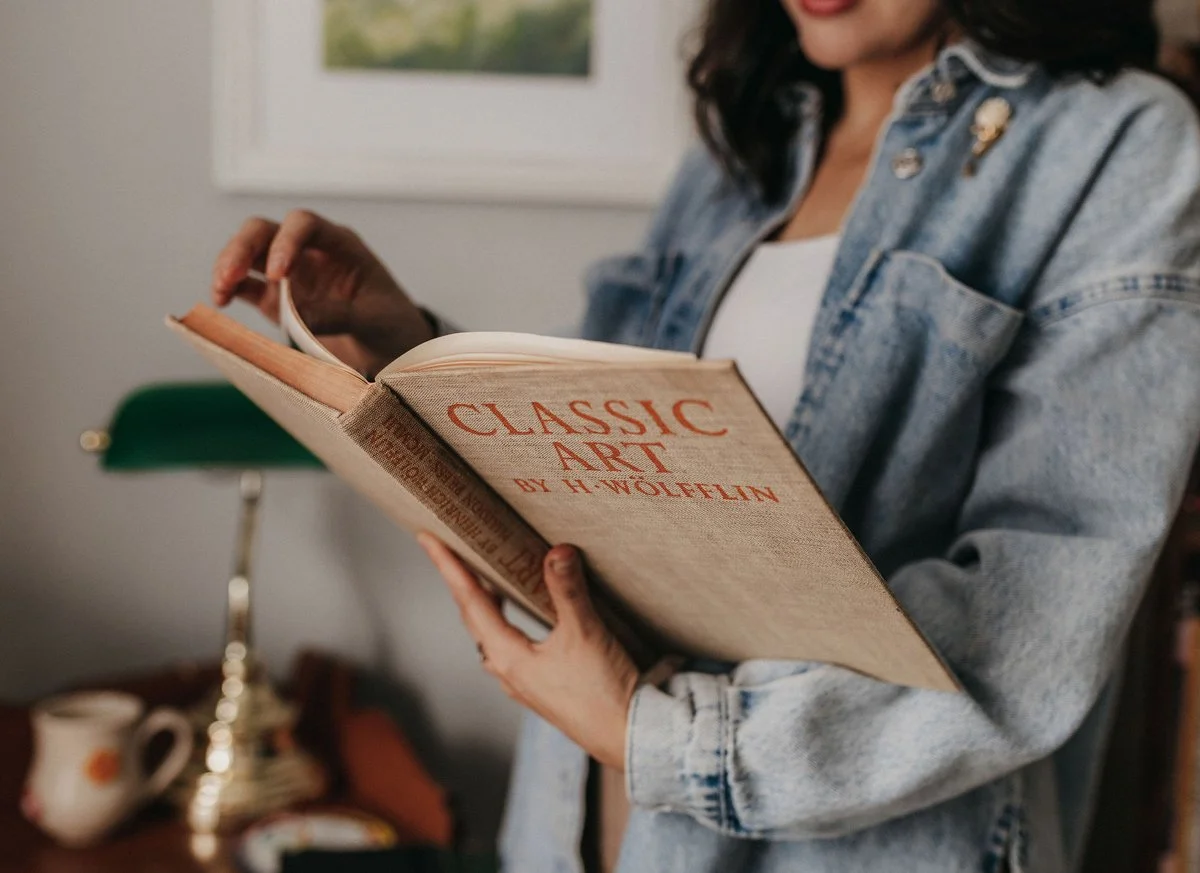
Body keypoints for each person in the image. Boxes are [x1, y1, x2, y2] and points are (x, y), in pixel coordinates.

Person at [211, 0, 1200, 869]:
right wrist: (401, 340)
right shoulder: (745, 148)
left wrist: (674, 740)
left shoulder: (1119, 143)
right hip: (586, 813)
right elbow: (582, 438)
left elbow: (1033, 612)